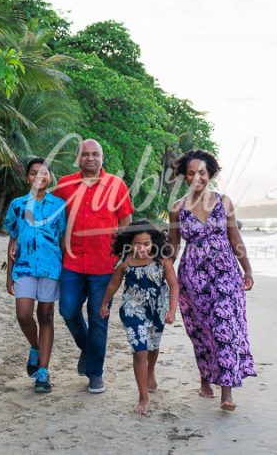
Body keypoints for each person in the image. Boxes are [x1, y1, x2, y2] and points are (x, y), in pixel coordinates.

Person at [168, 149, 256, 411]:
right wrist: (164, 276)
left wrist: (247, 270)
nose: (197, 177)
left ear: (210, 175)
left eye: (202, 173)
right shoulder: (177, 209)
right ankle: (205, 379)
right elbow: (173, 248)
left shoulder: (224, 202)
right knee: (201, 328)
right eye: (191, 173)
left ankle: (226, 393)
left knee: (223, 325)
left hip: (226, 272)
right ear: (185, 176)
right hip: (193, 277)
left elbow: (235, 239)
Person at [53, 139, 133, 393]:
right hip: (72, 263)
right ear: (78, 158)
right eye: (85, 154)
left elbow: (126, 221)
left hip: (105, 265)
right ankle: (87, 349)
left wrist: (124, 255)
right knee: (67, 311)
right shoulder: (65, 184)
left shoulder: (116, 185)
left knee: (99, 319)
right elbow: (51, 216)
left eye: (95, 154)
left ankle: (95, 373)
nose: (90, 158)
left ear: (102, 157)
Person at [99, 220, 179, 415]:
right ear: (129, 242)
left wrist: (172, 310)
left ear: (153, 242)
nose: (141, 248)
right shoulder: (125, 261)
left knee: (152, 346)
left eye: (146, 244)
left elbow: (174, 285)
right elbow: (113, 285)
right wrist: (104, 304)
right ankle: (143, 397)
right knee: (139, 351)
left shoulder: (162, 260)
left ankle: (150, 370)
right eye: (137, 243)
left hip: (156, 310)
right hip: (132, 310)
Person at [3, 158, 67, 393]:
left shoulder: (59, 206)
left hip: (51, 268)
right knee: (23, 314)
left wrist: (66, 272)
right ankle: (35, 346)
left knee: (46, 315)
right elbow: (12, 240)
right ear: (27, 177)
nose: (38, 177)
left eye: (44, 173)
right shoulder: (18, 205)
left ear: (50, 176)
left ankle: (43, 372)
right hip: (24, 267)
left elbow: (62, 240)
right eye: (33, 173)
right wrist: (9, 276)